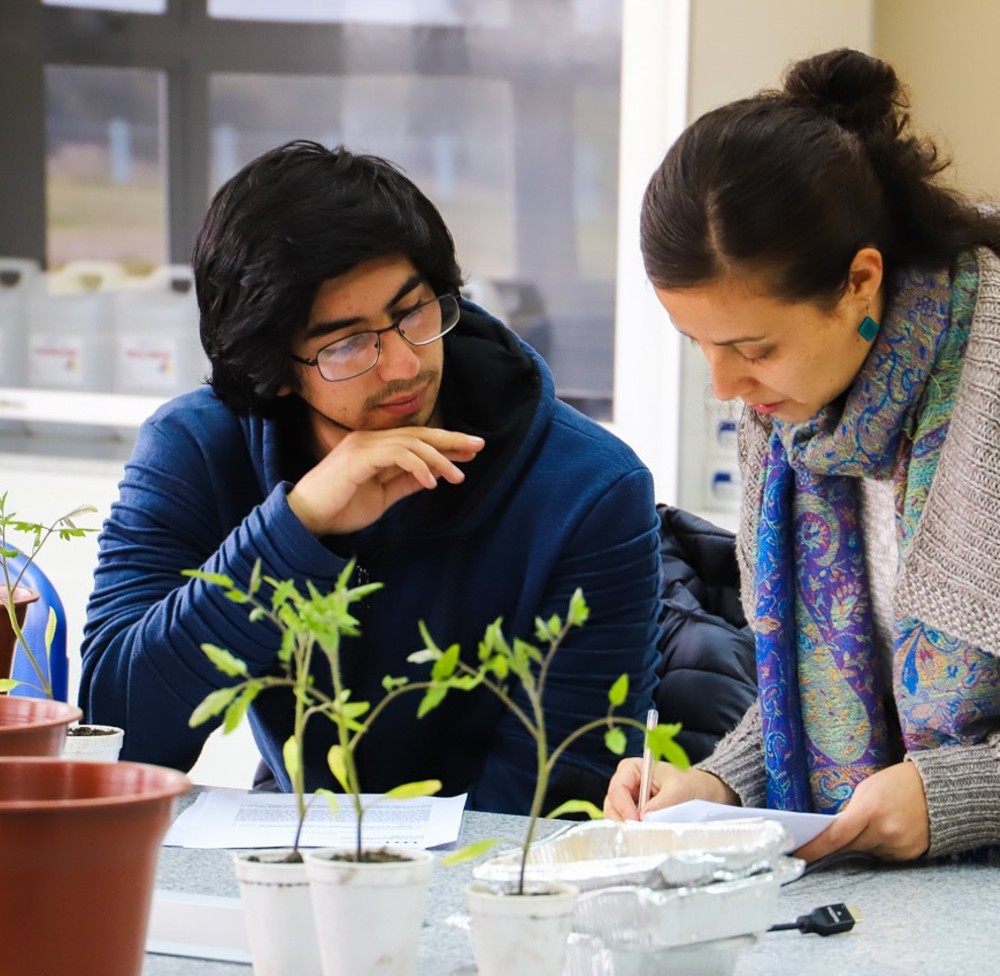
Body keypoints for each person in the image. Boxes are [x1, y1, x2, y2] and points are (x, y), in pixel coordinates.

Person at [79, 139, 667, 815]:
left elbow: (560, 794)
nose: (402, 366)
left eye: (413, 312)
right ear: (270, 369)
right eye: (347, 343)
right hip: (294, 843)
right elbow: (118, 738)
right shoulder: (194, 447)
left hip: (488, 878)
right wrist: (294, 529)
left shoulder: (589, 487)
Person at [604, 48, 1000, 863]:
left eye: (751, 346)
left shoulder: (985, 379)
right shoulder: (789, 420)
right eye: (698, 346)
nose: (723, 385)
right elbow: (822, 684)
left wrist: (960, 793)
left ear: (861, 281)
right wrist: (719, 786)